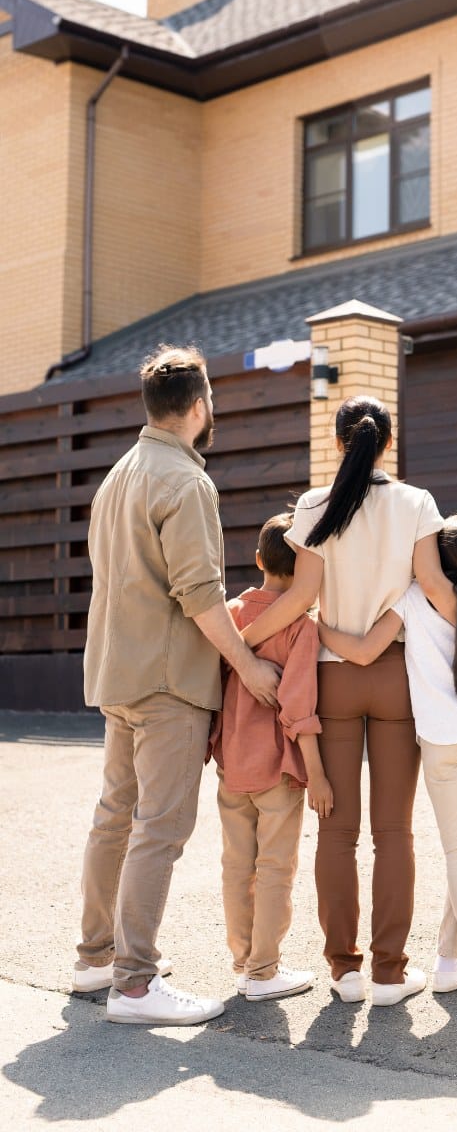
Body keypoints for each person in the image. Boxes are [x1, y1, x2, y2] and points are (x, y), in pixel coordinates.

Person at [74, 344, 281, 1027]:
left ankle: (97, 960)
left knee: (116, 818)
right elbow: (199, 593)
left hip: (117, 672)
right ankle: (133, 986)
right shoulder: (187, 483)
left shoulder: (119, 475)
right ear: (198, 407)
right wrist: (249, 667)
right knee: (159, 829)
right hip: (168, 682)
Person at [241, 395, 455, 1006]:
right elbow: (435, 588)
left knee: (336, 832)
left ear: (339, 443)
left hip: (331, 676)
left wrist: (238, 643)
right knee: (395, 833)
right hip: (396, 677)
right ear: (388, 443)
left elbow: (300, 597)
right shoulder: (416, 504)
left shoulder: (313, 504)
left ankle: (345, 972)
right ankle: (390, 973)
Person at [318, 514, 457, 997]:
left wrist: (321, 630)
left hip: (443, 744)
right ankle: (455, 962)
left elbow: (368, 652)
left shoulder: (411, 599)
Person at [208, 512, 333, 1002]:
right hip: (278, 767)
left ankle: (243, 962)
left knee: (236, 864)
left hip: (231, 761)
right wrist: (317, 774)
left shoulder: (234, 612)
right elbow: (298, 706)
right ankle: (263, 971)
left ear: (259, 559)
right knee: (276, 867)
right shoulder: (301, 627)